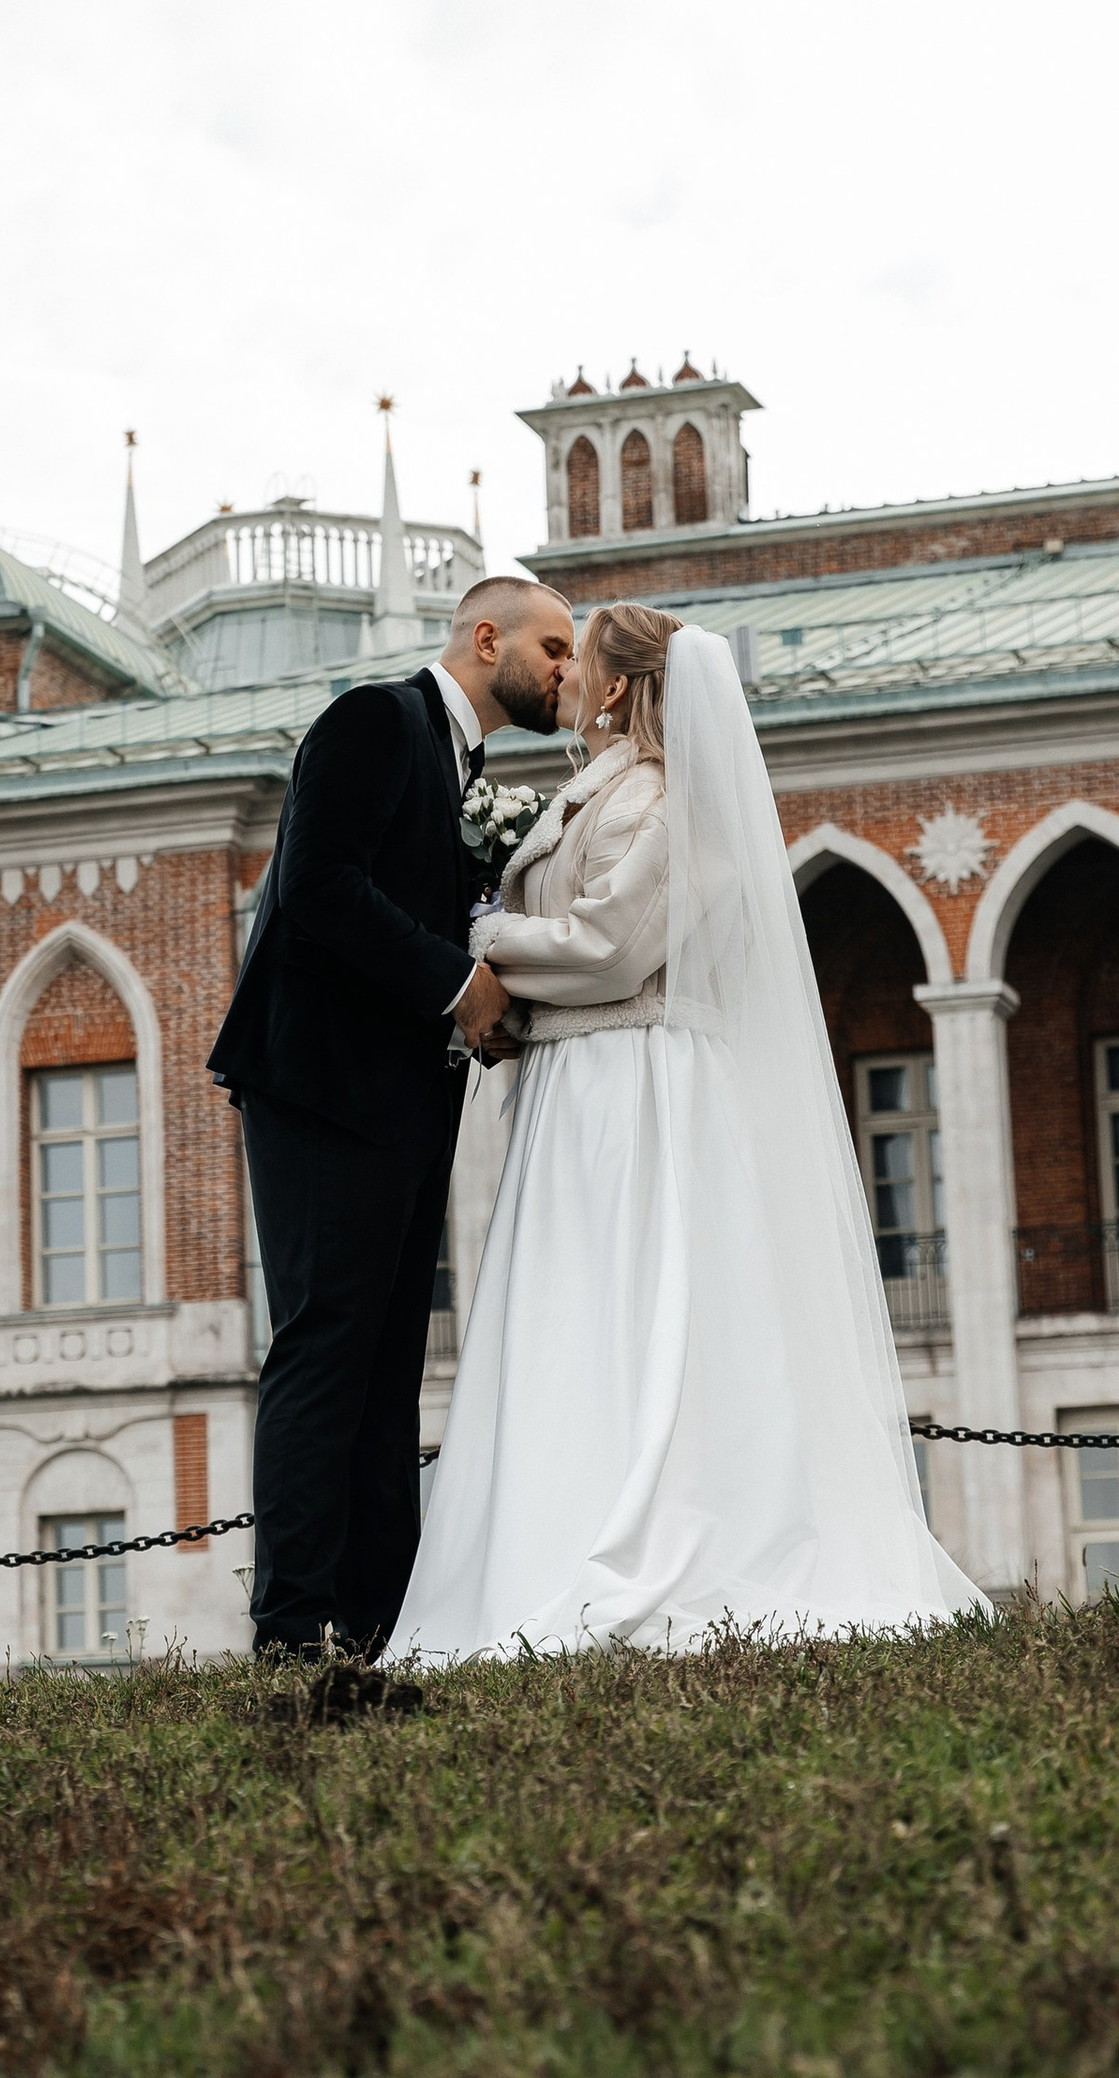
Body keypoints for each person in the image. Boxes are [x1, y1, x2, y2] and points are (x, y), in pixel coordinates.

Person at [387, 605, 985, 1662]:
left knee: (641, 1306)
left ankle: (651, 1540)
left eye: (580, 662)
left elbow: (613, 947)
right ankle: (552, 1529)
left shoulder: (667, 801)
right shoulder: (604, 790)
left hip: (631, 1083)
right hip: (579, 1082)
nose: (562, 675)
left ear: (618, 690)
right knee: (577, 1311)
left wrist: (482, 939)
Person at [209, 574, 577, 1657]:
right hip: (321, 1084)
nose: (565, 668)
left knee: (386, 1364)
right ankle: (289, 1628)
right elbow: (318, 888)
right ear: (485, 637)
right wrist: (457, 988)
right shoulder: (375, 718)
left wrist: (476, 988)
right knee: (325, 1347)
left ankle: (377, 1620)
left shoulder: (465, 763)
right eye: (552, 647)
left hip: (409, 1093)